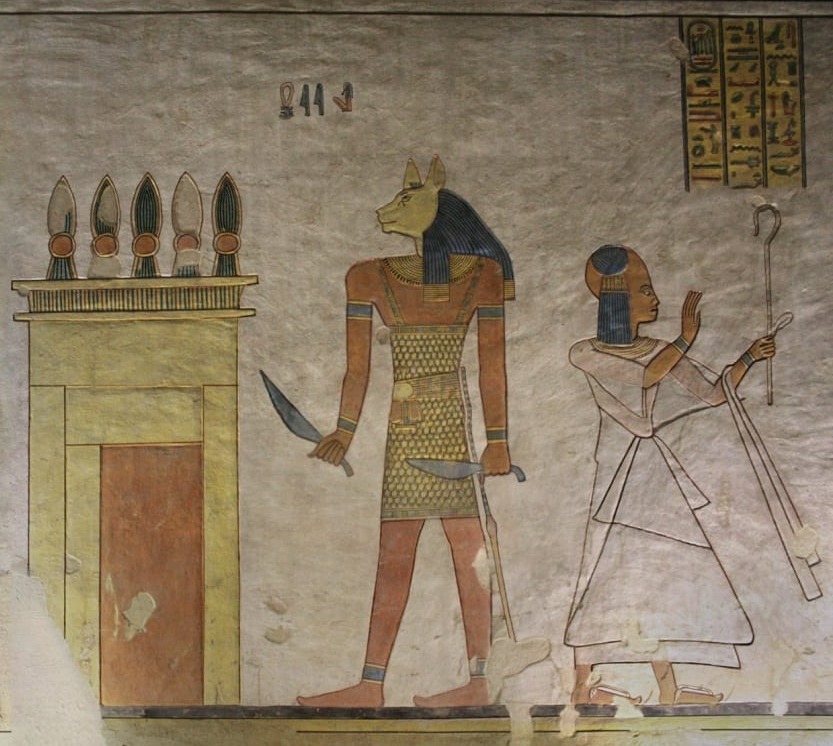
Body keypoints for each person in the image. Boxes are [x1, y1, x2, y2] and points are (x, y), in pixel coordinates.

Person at [297, 155, 515, 708]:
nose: (388, 211)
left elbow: (492, 365)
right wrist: (344, 429)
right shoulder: (367, 276)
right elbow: (358, 368)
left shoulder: (483, 277)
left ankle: (480, 680)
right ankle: (371, 684)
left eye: (407, 201)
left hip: (452, 428)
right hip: (406, 430)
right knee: (394, 553)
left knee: (470, 551)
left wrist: (498, 440)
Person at [565, 243, 778, 706]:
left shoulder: (660, 350)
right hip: (617, 476)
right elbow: (642, 378)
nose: (655, 298)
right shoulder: (586, 352)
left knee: (653, 579)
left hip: (652, 474)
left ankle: (667, 689)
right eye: (644, 289)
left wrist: (749, 357)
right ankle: (581, 688)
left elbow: (713, 393)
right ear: (617, 297)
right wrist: (684, 339)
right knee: (602, 579)